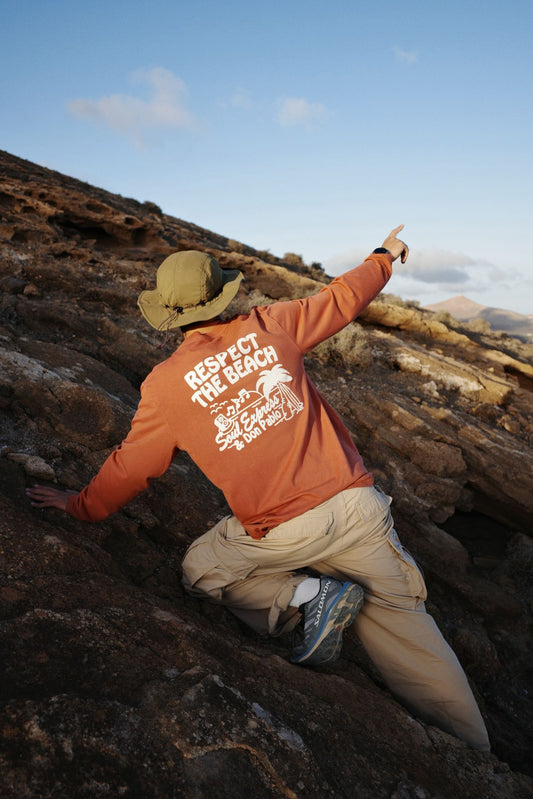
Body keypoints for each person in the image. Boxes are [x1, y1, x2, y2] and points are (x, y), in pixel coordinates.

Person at [26, 225, 490, 750]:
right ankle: (477, 755)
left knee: (202, 569)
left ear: (169, 314)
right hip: (358, 510)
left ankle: (310, 595)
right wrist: (383, 256)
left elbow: (132, 467)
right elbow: (341, 299)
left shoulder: (164, 386)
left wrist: (80, 506)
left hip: (284, 534)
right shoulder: (272, 325)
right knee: (410, 629)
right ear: (222, 293)